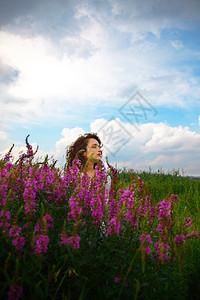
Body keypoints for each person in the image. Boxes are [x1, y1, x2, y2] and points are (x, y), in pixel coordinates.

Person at [66, 132, 111, 199]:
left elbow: (105, 200)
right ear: (84, 152)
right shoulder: (73, 175)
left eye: (99, 147)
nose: (99, 150)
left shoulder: (105, 177)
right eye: (94, 147)